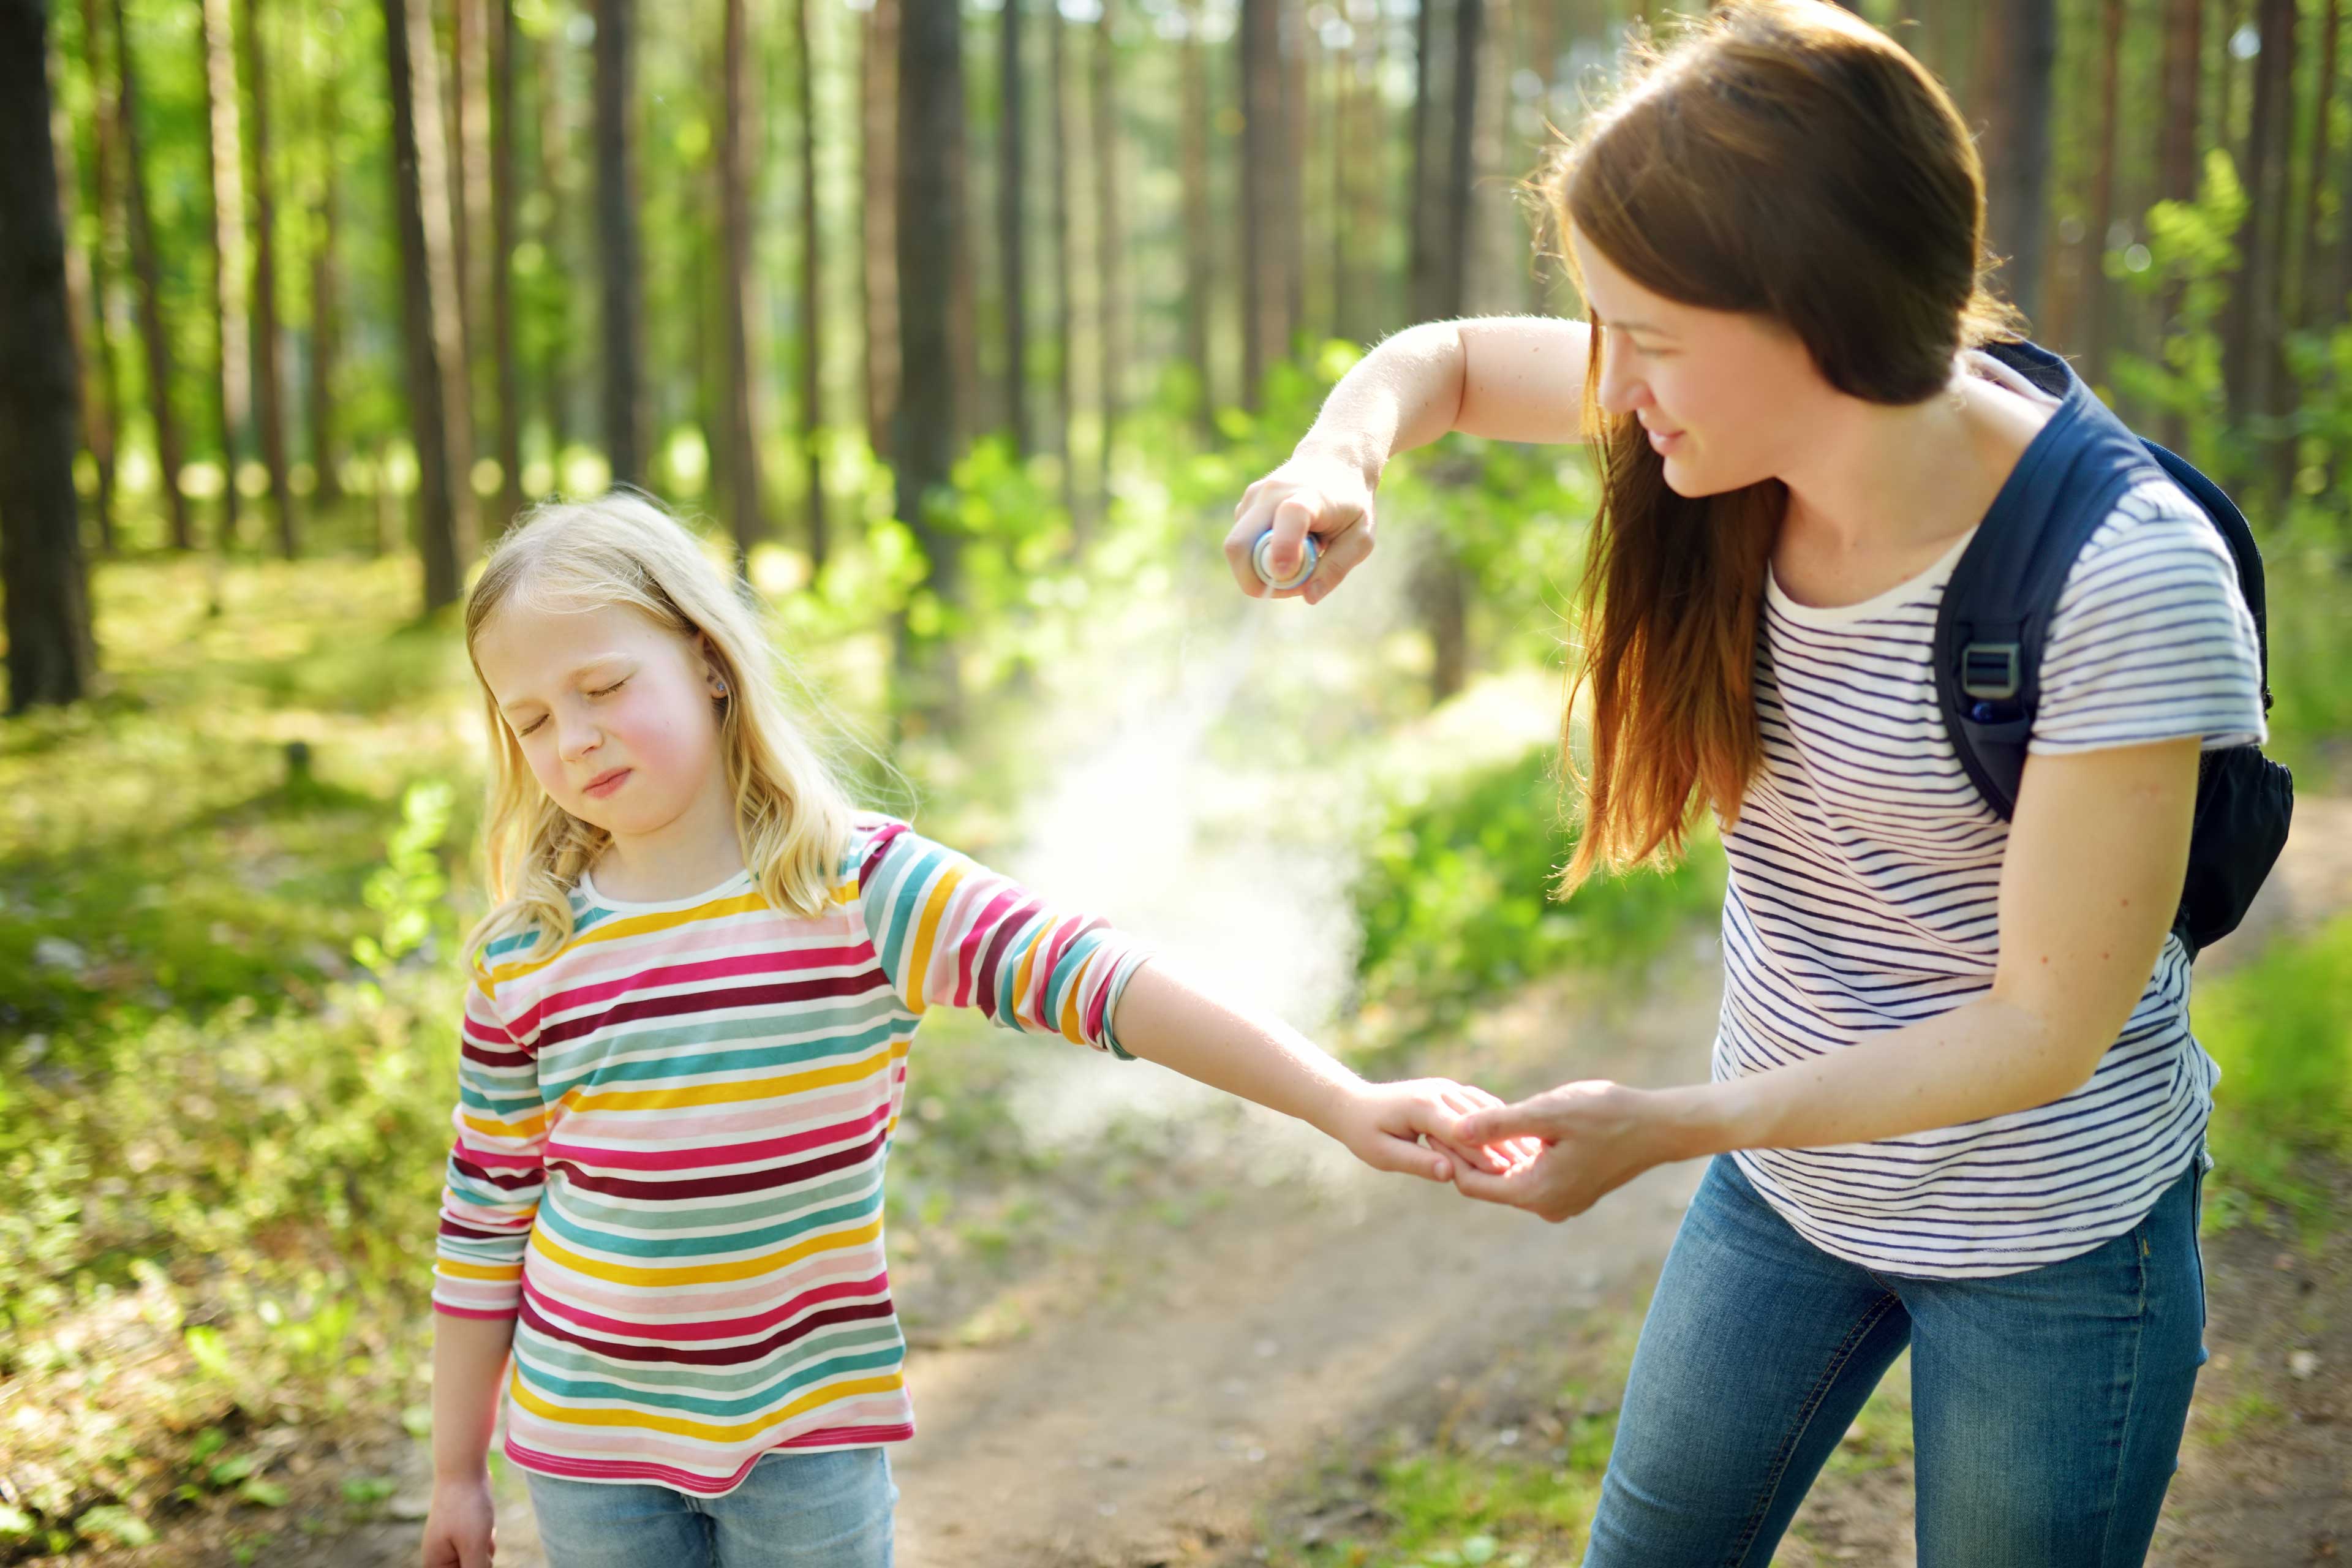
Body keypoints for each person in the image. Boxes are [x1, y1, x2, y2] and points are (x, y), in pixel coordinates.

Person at [1226, 4, 2266, 1563]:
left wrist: (1671, 1121)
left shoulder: (2124, 578)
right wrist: (1337, 460)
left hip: (2048, 1233)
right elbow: (1433, 363)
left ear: (1817, 312)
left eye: (1646, 336)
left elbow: (2045, 1030)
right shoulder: (1713, 429)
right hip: (1786, 1191)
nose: (1613, 383)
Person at [417, 491, 1499, 1568]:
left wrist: (1341, 1100)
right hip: (590, 1451)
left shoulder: (856, 886)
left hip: (807, 1444)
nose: (577, 737)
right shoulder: (528, 955)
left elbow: (1102, 979)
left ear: (708, 660)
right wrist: (457, 1475)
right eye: (532, 721)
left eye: (603, 686)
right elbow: (483, 1224)